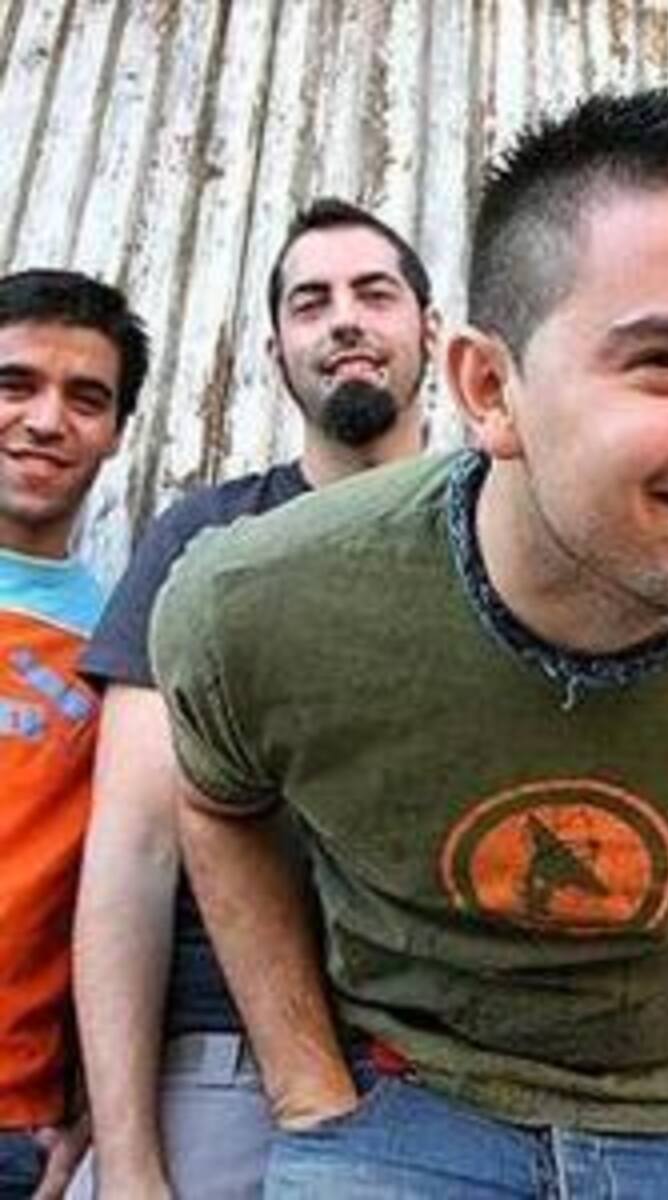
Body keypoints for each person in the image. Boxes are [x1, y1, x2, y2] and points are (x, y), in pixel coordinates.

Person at [149, 88, 668, 1198]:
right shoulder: (256, 602)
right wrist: (309, 1093)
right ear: (490, 389)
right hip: (407, 1105)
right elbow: (216, 805)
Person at [68, 199, 437, 1200]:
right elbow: (134, 851)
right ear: (277, 353)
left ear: (431, 330)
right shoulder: (203, 543)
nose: (345, 319)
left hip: (450, 1073)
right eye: (311, 303)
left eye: (374, 294)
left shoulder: (503, 527)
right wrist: (130, 1162)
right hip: (221, 1059)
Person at [0, 270, 148, 1199]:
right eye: (15, 385)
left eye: (86, 398)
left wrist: (100, 1101)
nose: (47, 421)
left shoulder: (120, 646)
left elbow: (129, 885)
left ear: (118, 431)